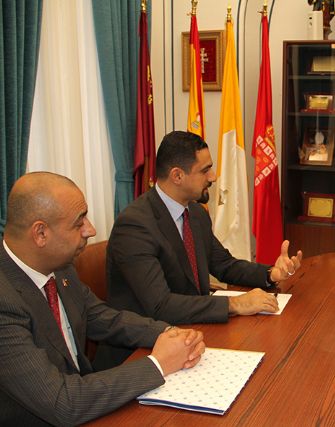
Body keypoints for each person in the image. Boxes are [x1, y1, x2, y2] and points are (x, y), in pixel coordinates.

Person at [0, 172, 205, 426]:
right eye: (79, 223)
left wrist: (171, 333)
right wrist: (159, 363)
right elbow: (63, 402)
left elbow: (103, 317)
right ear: (41, 233)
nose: (91, 230)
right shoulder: (5, 301)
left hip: (89, 404)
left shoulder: (59, 267)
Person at [96, 131, 301, 369]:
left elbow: (224, 265)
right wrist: (235, 304)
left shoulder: (195, 214)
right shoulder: (135, 225)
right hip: (140, 353)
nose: (213, 177)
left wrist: (270, 274)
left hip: (191, 334)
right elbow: (161, 306)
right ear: (177, 176)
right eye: (205, 170)